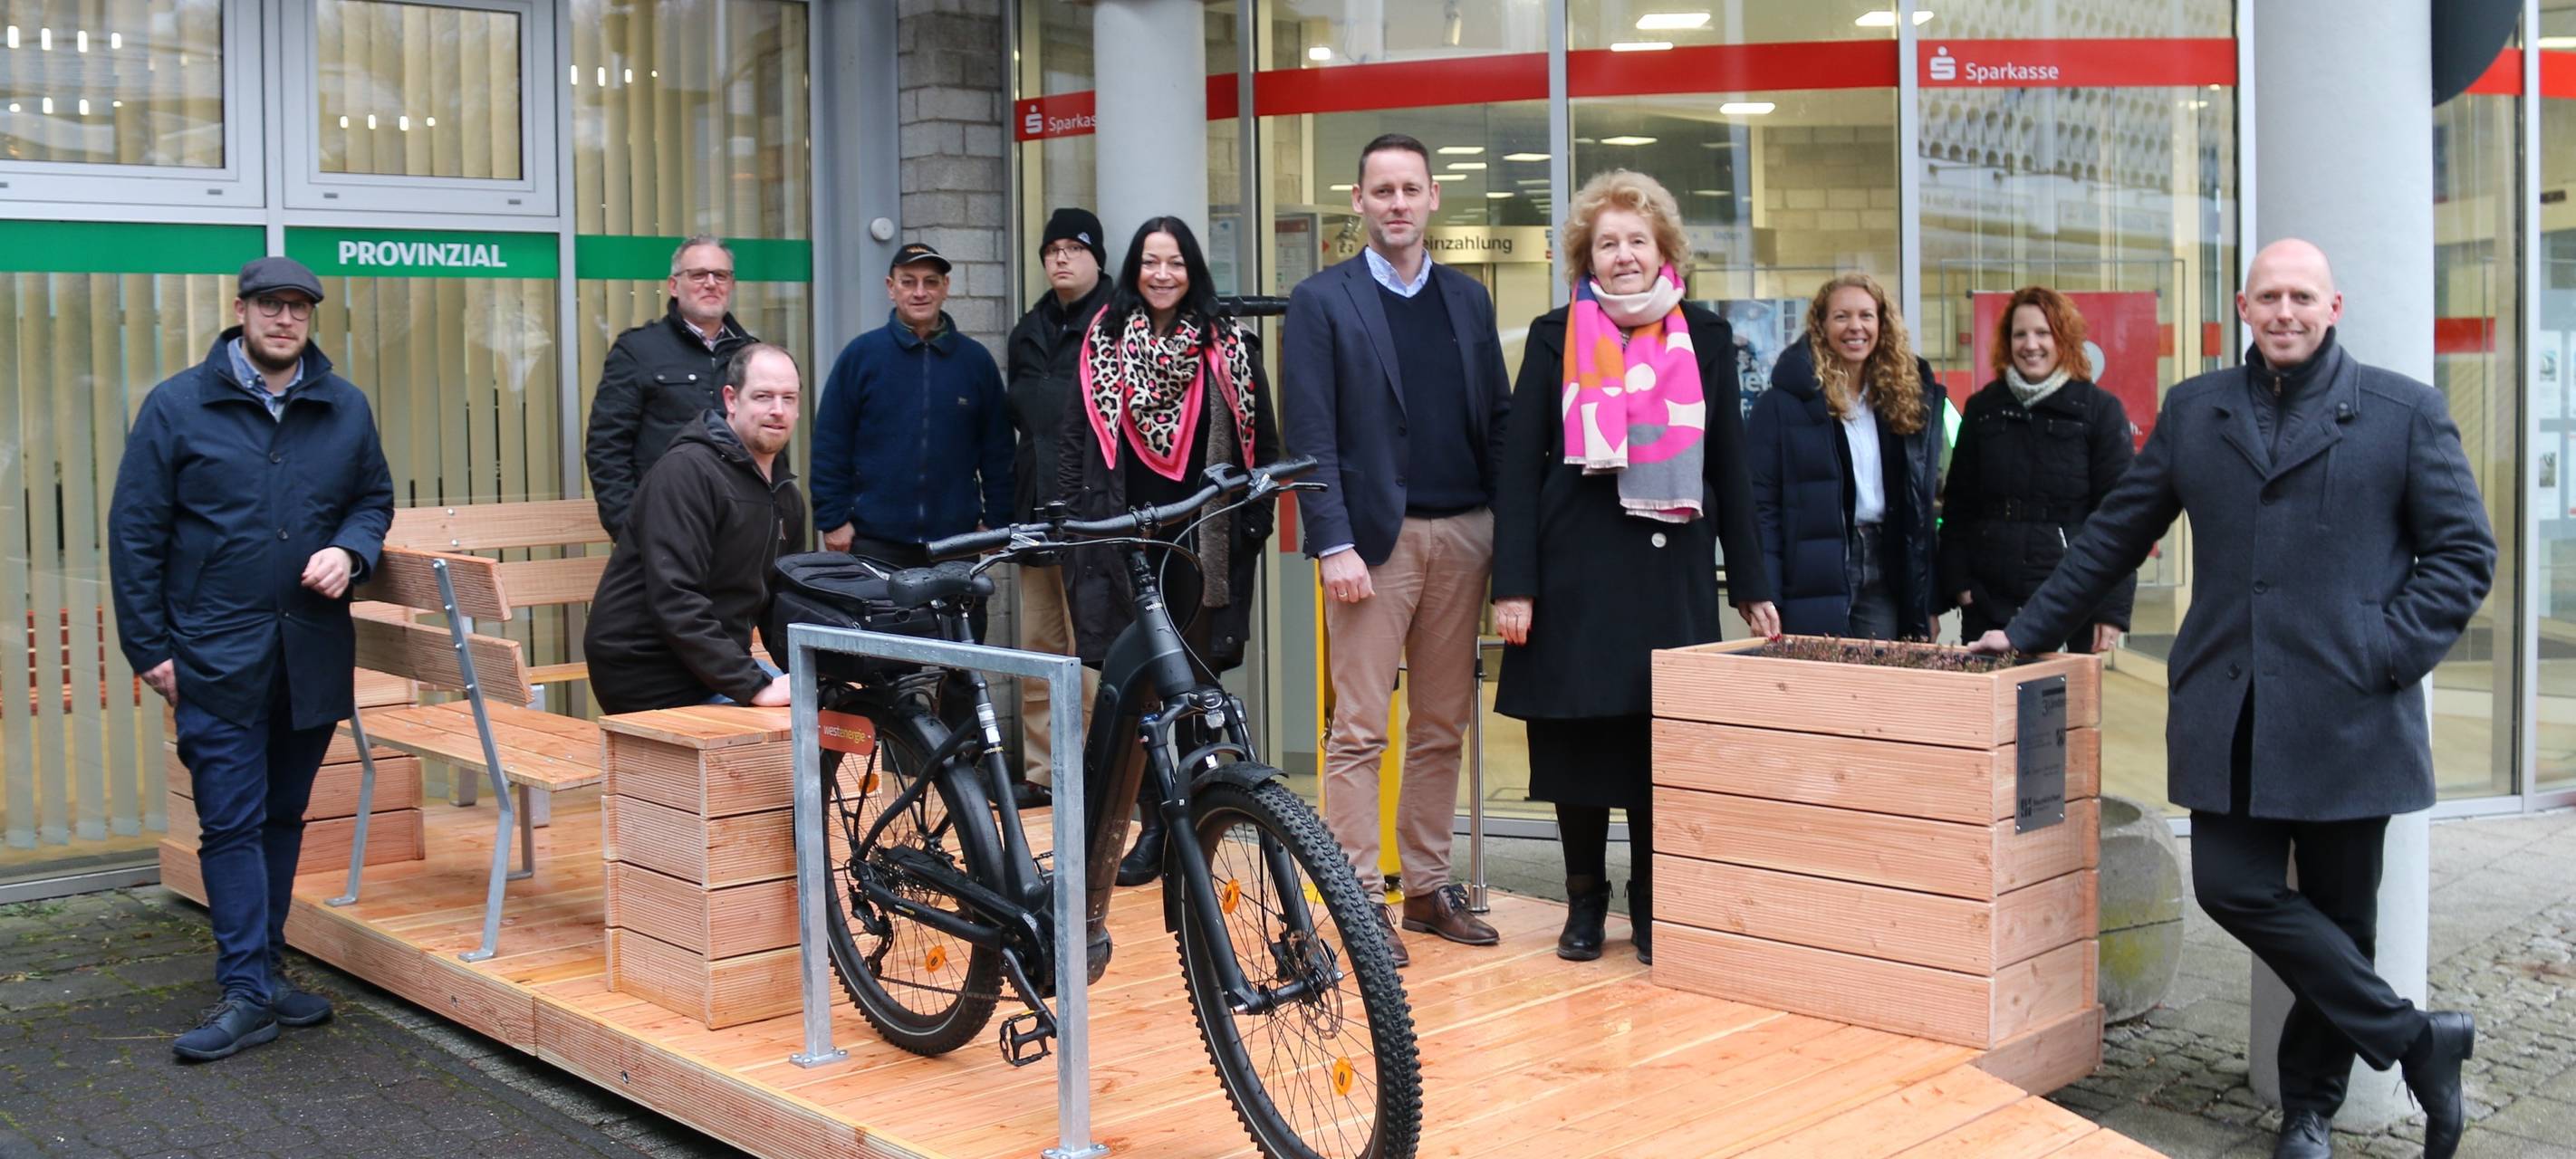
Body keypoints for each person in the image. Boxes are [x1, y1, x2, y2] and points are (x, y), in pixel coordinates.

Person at [1969, 240, 2492, 1159]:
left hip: (2351, 714)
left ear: (2335, 307)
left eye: (2303, 296)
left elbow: (2463, 555)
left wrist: (2383, 648)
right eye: (2269, 296)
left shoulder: (2403, 410)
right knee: (2231, 884)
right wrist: (2025, 629)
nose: (2285, 310)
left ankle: (2309, 1113)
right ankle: (2417, 1037)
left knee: (2342, 923)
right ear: (2242, 308)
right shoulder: (2197, 409)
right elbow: (2113, 534)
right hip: (2234, 709)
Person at [108, 255, 395, 1061]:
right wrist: (150, 650)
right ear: (240, 310)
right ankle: (244, 992)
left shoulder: (344, 406)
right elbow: (136, 534)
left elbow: (374, 497)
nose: (284, 320)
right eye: (270, 305)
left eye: (299, 308)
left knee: (280, 815)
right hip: (212, 653)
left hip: (307, 650)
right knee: (228, 821)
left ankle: (263, 976)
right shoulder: (178, 405)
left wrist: (352, 549)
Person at [1490, 169, 1777, 966]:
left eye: (1637, 242)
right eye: (1608, 243)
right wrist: (1513, 584)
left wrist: (1751, 584)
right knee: (1578, 749)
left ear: (1664, 252)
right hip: (1574, 572)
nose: (1623, 256)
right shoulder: (1554, 335)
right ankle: (1586, 901)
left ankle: (1655, 904)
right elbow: (1519, 471)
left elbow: (1730, 467)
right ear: (1589, 254)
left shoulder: (1708, 337)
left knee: (1660, 749)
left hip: (1668, 574)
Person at [1283, 132, 1512, 965]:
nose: (1398, 203)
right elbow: (1308, 435)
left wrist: (1505, 537)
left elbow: (1498, 423)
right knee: (1360, 730)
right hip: (1371, 549)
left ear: (1434, 198)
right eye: (1382, 190)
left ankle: (1424, 887)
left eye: (1411, 188)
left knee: (1444, 725)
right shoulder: (1322, 300)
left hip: (1465, 535)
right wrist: (1332, 541)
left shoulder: (1468, 299)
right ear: (1359, 201)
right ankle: (1356, 899)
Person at [1055, 216, 1280, 888]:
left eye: (1175, 262)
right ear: (1133, 270)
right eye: (1150, 262)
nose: (1161, 274)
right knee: (1141, 694)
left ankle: (1202, 823)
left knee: (1197, 686)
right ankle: (1154, 828)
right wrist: (1073, 530)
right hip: (1122, 544)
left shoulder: (1230, 348)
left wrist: (1253, 526)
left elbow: (1262, 449)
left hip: (1202, 545)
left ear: (1193, 272)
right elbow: (1073, 443)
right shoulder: (1102, 342)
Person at [584, 343, 809, 714]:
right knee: (796, 730)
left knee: (836, 718)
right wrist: (753, 685)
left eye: (789, 398)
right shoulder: (687, 473)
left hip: (710, 665)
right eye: (763, 396)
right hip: (647, 672)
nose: (777, 410)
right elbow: (676, 597)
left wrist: (813, 674)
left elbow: (782, 605)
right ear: (731, 400)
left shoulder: (785, 496)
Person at [1745, 273, 1946, 640]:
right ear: (1821, 326)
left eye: (1867, 316)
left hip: (1885, 563)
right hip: (1813, 568)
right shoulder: (1781, 405)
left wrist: (1928, 600)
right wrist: (1763, 591)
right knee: (1818, 690)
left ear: (1882, 324)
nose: (1856, 327)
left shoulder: (1904, 401)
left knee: (1878, 687)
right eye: (1842, 316)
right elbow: (1762, 509)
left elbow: (1920, 508)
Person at [1941, 285, 2135, 654]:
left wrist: (2111, 609)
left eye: (2043, 333)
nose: (2031, 344)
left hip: (2071, 600)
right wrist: (1961, 585)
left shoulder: (2100, 411)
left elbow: (2121, 520)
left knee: (2059, 709)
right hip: (1989, 600)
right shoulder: (1983, 408)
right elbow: (1958, 508)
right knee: (1992, 710)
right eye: (2020, 334)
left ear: (2063, 338)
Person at [812, 241, 1013, 574]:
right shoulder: (861, 356)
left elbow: (999, 452)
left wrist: (997, 521)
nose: (920, 292)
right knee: (882, 628)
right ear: (891, 288)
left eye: (930, 281)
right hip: (874, 542)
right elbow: (830, 444)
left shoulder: (975, 362)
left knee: (957, 629)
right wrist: (832, 519)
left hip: (956, 545)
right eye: (908, 281)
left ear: (946, 287)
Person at [1004, 208, 1113, 802]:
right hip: (1035, 514)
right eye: (1052, 250)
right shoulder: (1030, 329)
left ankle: (1099, 777)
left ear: (1098, 257)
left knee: (1093, 654)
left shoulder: (1120, 322)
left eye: (1074, 248)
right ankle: (1045, 775)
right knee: (1042, 650)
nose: (1062, 259)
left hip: (1096, 520)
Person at [584, 235, 758, 541]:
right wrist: (628, 529)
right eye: (698, 274)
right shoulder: (638, 350)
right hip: (664, 526)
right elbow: (606, 447)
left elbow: (768, 440)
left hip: (740, 527)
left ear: (731, 285)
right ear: (674, 285)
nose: (710, 283)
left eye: (721, 275)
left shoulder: (752, 355)